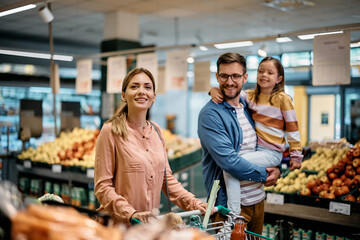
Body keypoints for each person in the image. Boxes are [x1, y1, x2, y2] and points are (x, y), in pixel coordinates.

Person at [94, 68, 208, 225]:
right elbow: (103, 187)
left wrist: (195, 204)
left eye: (147, 87)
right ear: (123, 95)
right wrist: (130, 213)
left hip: (148, 228)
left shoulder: (156, 130)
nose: (141, 91)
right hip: (118, 227)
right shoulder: (110, 131)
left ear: (153, 96)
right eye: (134, 87)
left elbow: (167, 180)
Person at [208, 56, 303, 219]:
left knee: (232, 167)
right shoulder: (250, 96)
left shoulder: (283, 100)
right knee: (233, 166)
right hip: (259, 151)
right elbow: (231, 92)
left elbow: (293, 129)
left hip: (272, 153)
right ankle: (235, 209)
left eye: (270, 73)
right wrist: (213, 90)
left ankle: (234, 211)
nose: (264, 75)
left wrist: (296, 156)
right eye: (261, 71)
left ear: (279, 79)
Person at [198, 53, 281, 234]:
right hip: (229, 208)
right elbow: (229, 162)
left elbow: (267, 142)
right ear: (217, 77)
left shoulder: (249, 105)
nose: (229, 82)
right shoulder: (210, 115)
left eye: (235, 76)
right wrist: (264, 175)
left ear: (245, 78)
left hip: (258, 201)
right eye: (224, 76)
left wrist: (277, 167)